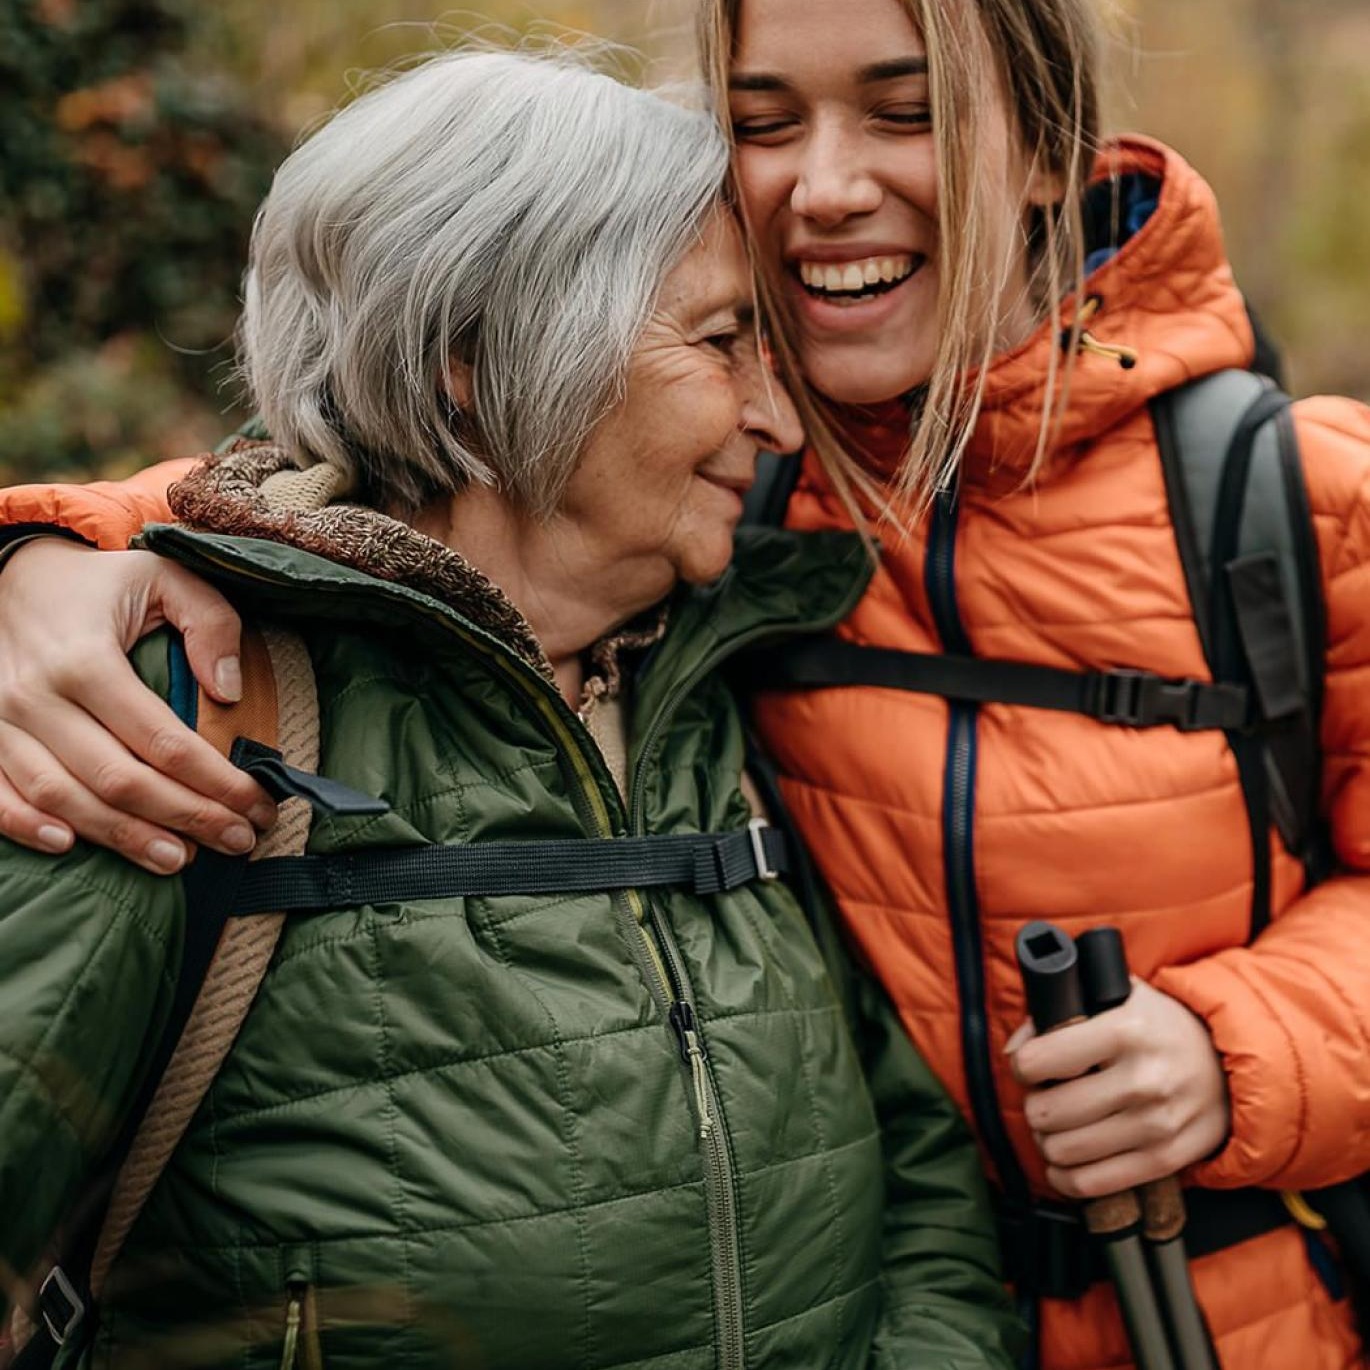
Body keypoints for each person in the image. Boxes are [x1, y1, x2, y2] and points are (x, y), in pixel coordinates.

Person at [2, 1, 1370, 1367]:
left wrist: (1234, 1044)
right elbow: (360, 481)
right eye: (764, 123)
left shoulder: (1283, 504)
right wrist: (53, 550)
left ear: (1045, 146)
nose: (824, 187)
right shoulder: (726, 506)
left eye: (907, 111)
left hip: (1227, 1318)